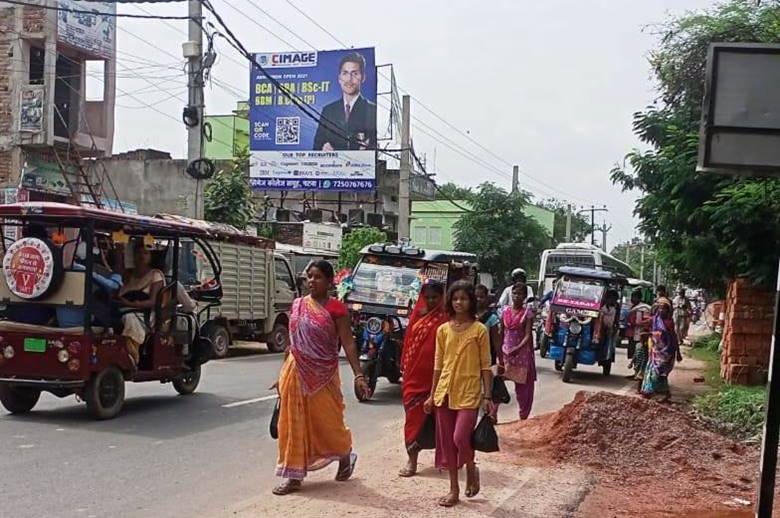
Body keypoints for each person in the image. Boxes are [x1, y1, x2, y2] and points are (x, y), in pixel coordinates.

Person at [271, 260, 370, 495]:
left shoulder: (336, 309)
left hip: (324, 375)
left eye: (317, 277)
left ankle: (345, 454)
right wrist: (281, 374)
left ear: (329, 281)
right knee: (293, 424)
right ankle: (293, 476)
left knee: (328, 423)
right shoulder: (298, 305)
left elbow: (348, 342)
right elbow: (292, 343)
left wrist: (358, 374)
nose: (311, 281)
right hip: (295, 372)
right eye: (309, 277)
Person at [423, 281, 493, 507]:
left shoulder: (479, 330)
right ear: (450, 302)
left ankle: (471, 466)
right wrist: (431, 395)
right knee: (448, 444)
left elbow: (485, 366)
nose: (459, 302)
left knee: (460, 438)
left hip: (469, 392)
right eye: (455, 299)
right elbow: (437, 365)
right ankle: (454, 489)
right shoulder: (443, 330)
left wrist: (488, 396)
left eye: (463, 298)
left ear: (471, 301)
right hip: (444, 393)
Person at [398, 280, 448, 478]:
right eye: (427, 297)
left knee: (443, 419)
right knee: (412, 419)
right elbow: (408, 342)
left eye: (435, 297)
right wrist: (403, 368)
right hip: (414, 377)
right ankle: (412, 460)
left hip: (437, 376)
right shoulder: (417, 317)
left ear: (442, 297)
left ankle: (450, 457)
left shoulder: (446, 319)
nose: (431, 301)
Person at [312, 52, 376, 151]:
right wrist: (323, 148)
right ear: (339, 78)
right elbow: (316, 146)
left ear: (363, 77)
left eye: (355, 73)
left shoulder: (372, 110)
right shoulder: (328, 110)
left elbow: (375, 145)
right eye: (345, 73)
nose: (349, 79)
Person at [117, 241, 165, 367]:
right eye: (138, 253)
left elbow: (152, 302)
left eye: (145, 253)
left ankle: (133, 357)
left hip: (145, 314)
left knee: (129, 318)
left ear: (151, 256)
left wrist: (132, 304)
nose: (141, 256)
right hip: (124, 308)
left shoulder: (155, 275)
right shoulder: (129, 273)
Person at [499, 282, 536, 420]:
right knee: (497, 382)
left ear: (525, 296)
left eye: (520, 294)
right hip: (505, 353)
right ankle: (492, 415)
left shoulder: (527, 313)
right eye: (514, 293)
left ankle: (523, 416)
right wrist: (501, 350)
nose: (516, 296)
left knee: (522, 389)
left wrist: (517, 348)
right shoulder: (505, 311)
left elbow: (527, 335)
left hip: (521, 354)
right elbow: (501, 332)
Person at [641, 298, 679, 402]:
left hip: (666, 352)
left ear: (668, 311)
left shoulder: (669, 323)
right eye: (660, 308)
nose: (662, 310)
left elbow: (673, 337)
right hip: (655, 351)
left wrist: (678, 352)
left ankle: (650, 391)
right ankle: (661, 392)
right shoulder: (654, 319)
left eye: (664, 309)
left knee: (657, 372)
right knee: (654, 371)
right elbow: (644, 323)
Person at [625, 290, 652, 379]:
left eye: (635, 297)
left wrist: (638, 323)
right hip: (632, 334)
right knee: (634, 353)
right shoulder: (633, 307)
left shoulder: (643, 308)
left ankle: (640, 373)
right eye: (632, 297)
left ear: (639, 298)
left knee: (640, 354)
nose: (632, 299)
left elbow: (646, 321)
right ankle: (636, 372)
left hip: (641, 334)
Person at [476, 284, 501, 365]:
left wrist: (501, 360)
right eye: (476, 297)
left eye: (481, 297)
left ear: (487, 298)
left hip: (487, 355)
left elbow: (496, 341)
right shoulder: (467, 316)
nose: (478, 299)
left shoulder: (492, 318)